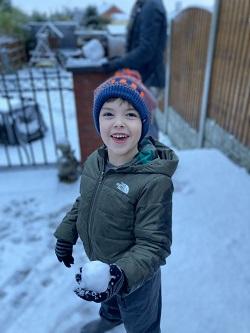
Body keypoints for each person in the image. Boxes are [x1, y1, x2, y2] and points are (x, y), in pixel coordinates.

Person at [54, 70, 178, 333]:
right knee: (109, 302)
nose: (118, 122)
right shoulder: (94, 162)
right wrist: (67, 235)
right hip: (101, 262)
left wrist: (121, 276)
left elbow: (154, 245)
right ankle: (110, 319)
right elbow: (83, 201)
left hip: (137, 277)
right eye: (108, 114)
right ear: (98, 122)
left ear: (143, 125)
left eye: (130, 115)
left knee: (141, 324)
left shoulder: (154, 182)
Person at [103, 0, 168, 139]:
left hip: (150, 77)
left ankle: (149, 160)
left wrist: (117, 63)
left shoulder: (151, 7)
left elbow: (146, 49)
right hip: (144, 77)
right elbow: (137, 44)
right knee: (145, 123)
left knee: (144, 127)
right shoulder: (143, 5)